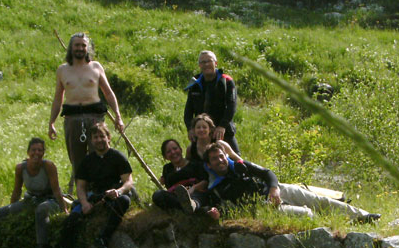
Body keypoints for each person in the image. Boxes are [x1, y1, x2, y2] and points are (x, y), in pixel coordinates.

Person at [184, 143, 380, 223]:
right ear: (209, 164)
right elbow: (220, 209)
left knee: (320, 201)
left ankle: (363, 217)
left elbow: (267, 173)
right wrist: (215, 214)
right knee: (308, 214)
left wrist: (274, 188)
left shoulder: (240, 166)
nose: (220, 161)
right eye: (215, 160)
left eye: (221, 157)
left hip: (277, 190)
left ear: (226, 156)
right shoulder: (215, 187)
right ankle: (334, 225)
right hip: (267, 207)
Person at [0, 137, 67, 248]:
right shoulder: (21, 168)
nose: (36, 153)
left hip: (50, 200)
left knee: (41, 210)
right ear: (28, 152)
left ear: (43, 153)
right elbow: (17, 191)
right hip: (31, 200)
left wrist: (64, 209)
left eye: (40, 150)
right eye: (33, 150)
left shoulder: (48, 166)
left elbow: (56, 190)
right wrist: (11, 209)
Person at [53, 123, 134, 248]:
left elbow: (128, 182)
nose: (99, 140)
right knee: (72, 219)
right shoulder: (88, 161)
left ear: (108, 138)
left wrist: (119, 191)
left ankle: (104, 238)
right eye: (95, 137)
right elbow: (81, 186)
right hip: (95, 196)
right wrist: (84, 203)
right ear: (91, 140)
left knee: (124, 200)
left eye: (102, 136)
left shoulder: (117, 157)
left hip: (114, 195)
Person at [48, 32, 126, 181]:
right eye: (77, 45)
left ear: (87, 48)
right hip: (73, 120)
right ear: (71, 48)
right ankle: (83, 195)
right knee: (77, 160)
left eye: (83, 45)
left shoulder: (96, 67)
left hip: (95, 118)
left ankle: (101, 189)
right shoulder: (62, 70)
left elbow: (108, 93)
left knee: (100, 154)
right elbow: (58, 99)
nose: (80, 48)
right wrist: (51, 122)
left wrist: (118, 116)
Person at [184, 50, 239, 153]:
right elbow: (188, 109)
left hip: (223, 131)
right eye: (203, 62)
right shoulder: (195, 83)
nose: (206, 64)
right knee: (198, 163)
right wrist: (190, 128)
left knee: (236, 161)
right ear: (199, 65)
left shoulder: (226, 81)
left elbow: (231, 105)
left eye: (209, 61)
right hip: (202, 133)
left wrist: (222, 126)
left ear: (216, 63)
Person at [152, 138, 206, 211]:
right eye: (169, 151)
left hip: (194, 193)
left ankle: (192, 206)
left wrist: (193, 188)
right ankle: (185, 208)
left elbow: (205, 181)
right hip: (176, 196)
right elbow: (168, 187)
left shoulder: (194, 164)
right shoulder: (167, 168)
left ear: (180, 149)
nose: (173, 152)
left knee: (197, 197)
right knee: (158, 194)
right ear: (165, 157)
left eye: (175, 148)